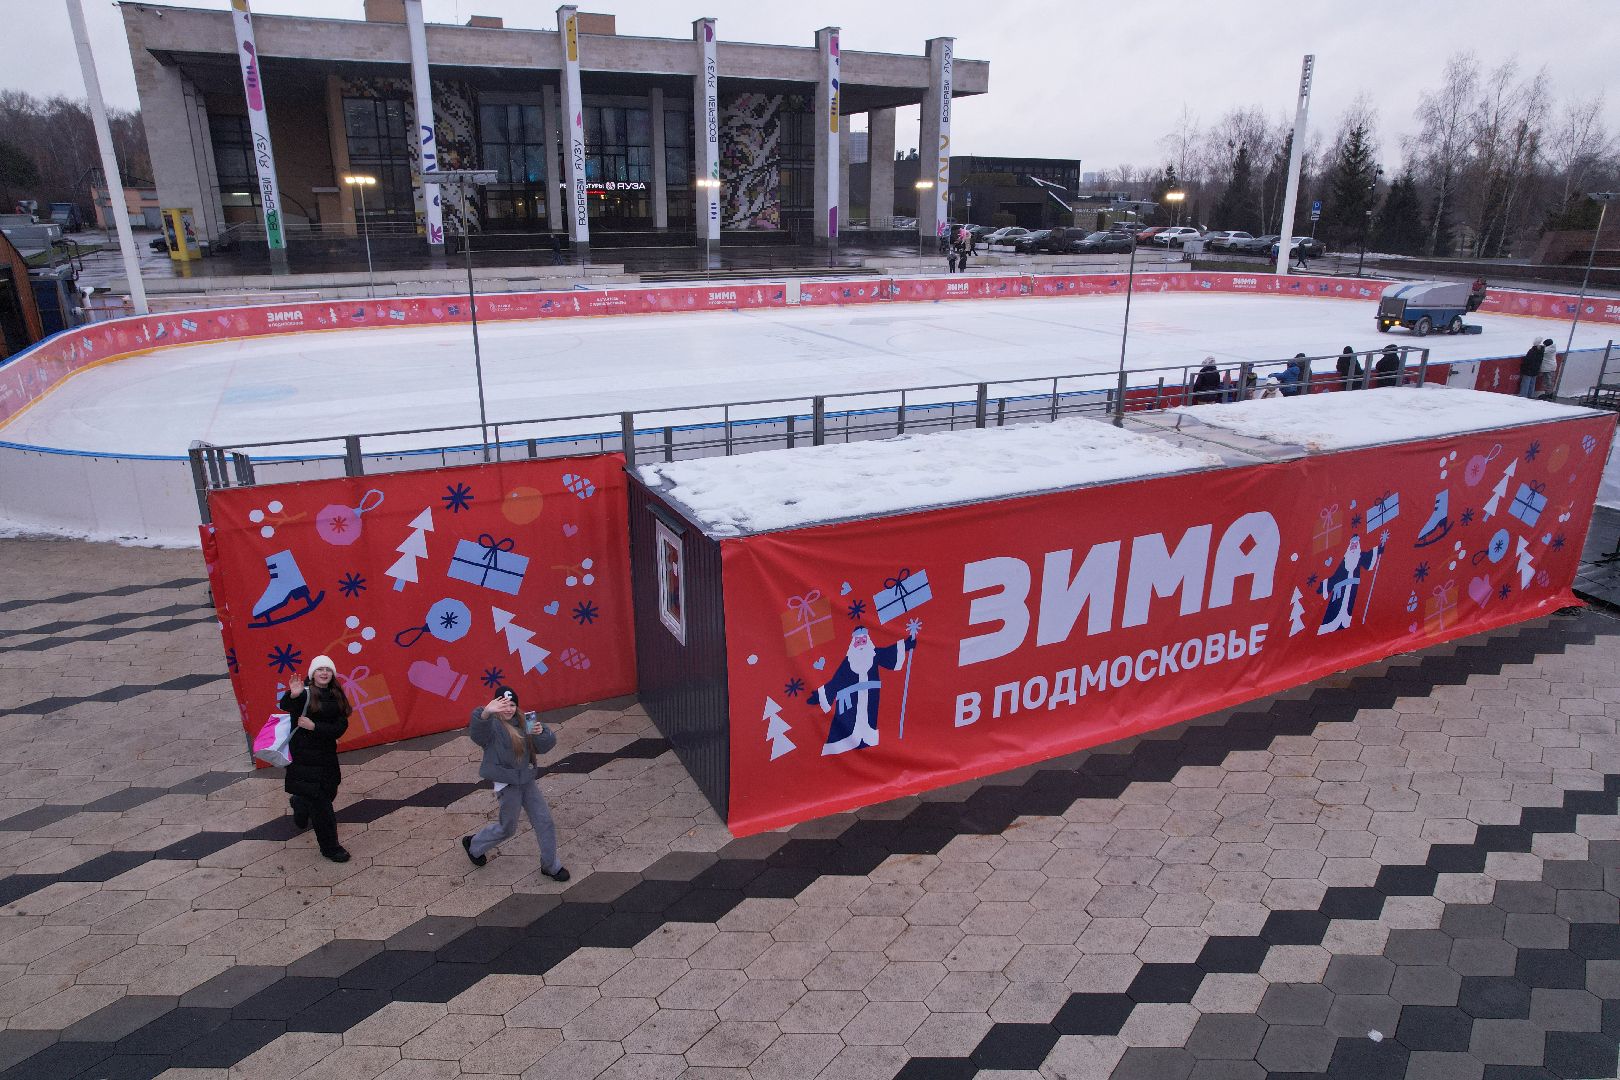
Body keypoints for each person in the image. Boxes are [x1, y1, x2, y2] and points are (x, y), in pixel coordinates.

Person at [463, 686, 570, 881]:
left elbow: (543, 747)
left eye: (512, 705)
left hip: (527, 781)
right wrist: (486, 712)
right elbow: (477, 734)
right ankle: (474, 845)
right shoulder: (492, 726)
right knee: (508, 828)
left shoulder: (525, 720)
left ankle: (551, 866)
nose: (508, 709)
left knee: (544, 821)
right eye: (503, 704)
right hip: (508, 785)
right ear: (496, 705)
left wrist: (541, 732)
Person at [278, 655, 352, 862]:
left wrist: (315, 727)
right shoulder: (304, 693)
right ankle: (330, 848)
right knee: (322, 807)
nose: (324, 673)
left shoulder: (337, 694)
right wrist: (293, 695)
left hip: (326, 755)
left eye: (327, 669)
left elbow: (340, 727)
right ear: (313, 673)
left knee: (330, 791)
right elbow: (285, 705)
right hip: (304, 757)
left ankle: (300, 802)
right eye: (319, 669)